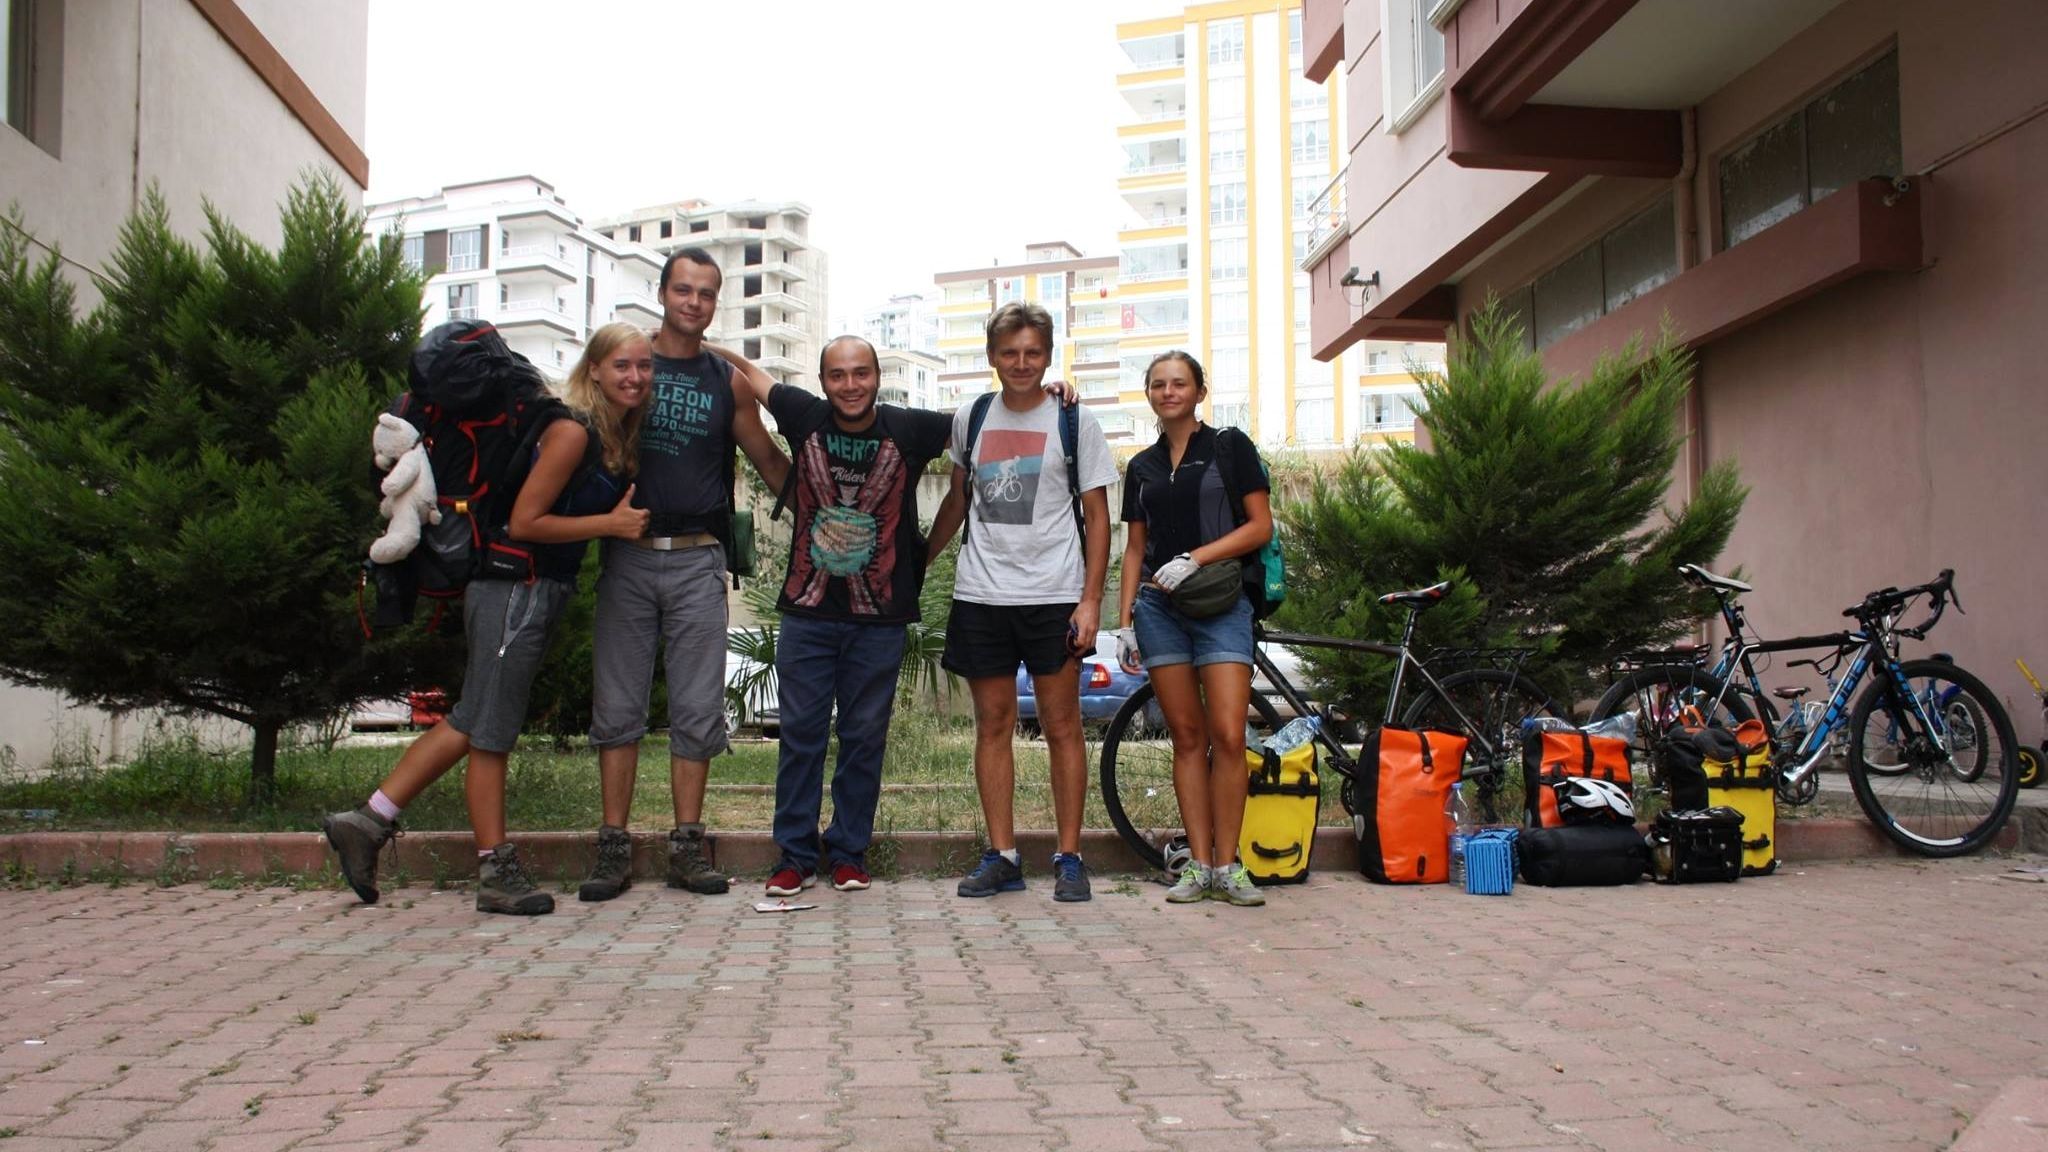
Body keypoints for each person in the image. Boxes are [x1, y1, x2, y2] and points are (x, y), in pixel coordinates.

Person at [322, 323, 654, 915]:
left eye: (644, 366)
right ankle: (492, 870)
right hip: (514, 585)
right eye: (622, 365)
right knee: (487, 729)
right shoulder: (569, 431)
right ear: (594, 369)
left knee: (476, 719)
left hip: (528, 589)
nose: (635, 376)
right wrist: (609, 526)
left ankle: (368, 822)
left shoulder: (600, 432)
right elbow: (526, 522)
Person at [577, 248, 790, 903]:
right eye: (683, 290)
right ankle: (613, 846)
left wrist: (821, 498)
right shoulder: (631, 363)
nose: (693, 302)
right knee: (618, 706)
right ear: (663, 294)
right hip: (630, 556)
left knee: (698, 707)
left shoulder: (722, 380)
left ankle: (687, 846)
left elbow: (766, 456)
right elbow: (571, 419)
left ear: (715, 302)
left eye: (706, 293)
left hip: (700, 559)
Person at [707, 335, 954, 897]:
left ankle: (848, 852)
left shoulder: (908, 427)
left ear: (876, 377)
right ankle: (793, 856)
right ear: (822, 381)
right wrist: (703, 344)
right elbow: (749, 373)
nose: (850, 384)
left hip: (881, 619)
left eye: (860, 373)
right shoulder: (804, 414)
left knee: (864, 738)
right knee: (801, 737)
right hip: (808, 614)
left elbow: (982, 420)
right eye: (837, 374)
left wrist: (1053, 391)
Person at [927, 302, 1118, 902]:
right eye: (1009, 353)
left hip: (1054, 595)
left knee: (1062, 725)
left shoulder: (1073, 420)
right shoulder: (972, 417)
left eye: (1033, 352)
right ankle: (1002, 854)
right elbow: (957, 501)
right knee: (994, 726)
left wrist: (1091, 602)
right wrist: (917, 562)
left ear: (1049, 354)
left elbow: (1097, 515)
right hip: (982, 594)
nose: (1021, 364)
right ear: (991, 356)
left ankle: (1069, 856)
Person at [1112, 350, 1274, 906]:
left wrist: (1197, 558)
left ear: (1200, 391)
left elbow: (1260, 527)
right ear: (1149, 394)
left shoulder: (1229, 447)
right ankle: (1198, 867)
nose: (1168, 391)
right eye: (1158, 384)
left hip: (1223, 603)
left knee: (1229, 734)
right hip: (1159, 611)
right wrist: (1125, 621)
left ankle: (1230, 866)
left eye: (1179, 383)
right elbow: (1134, 549)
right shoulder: (1141, 467)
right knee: (1186, 736)